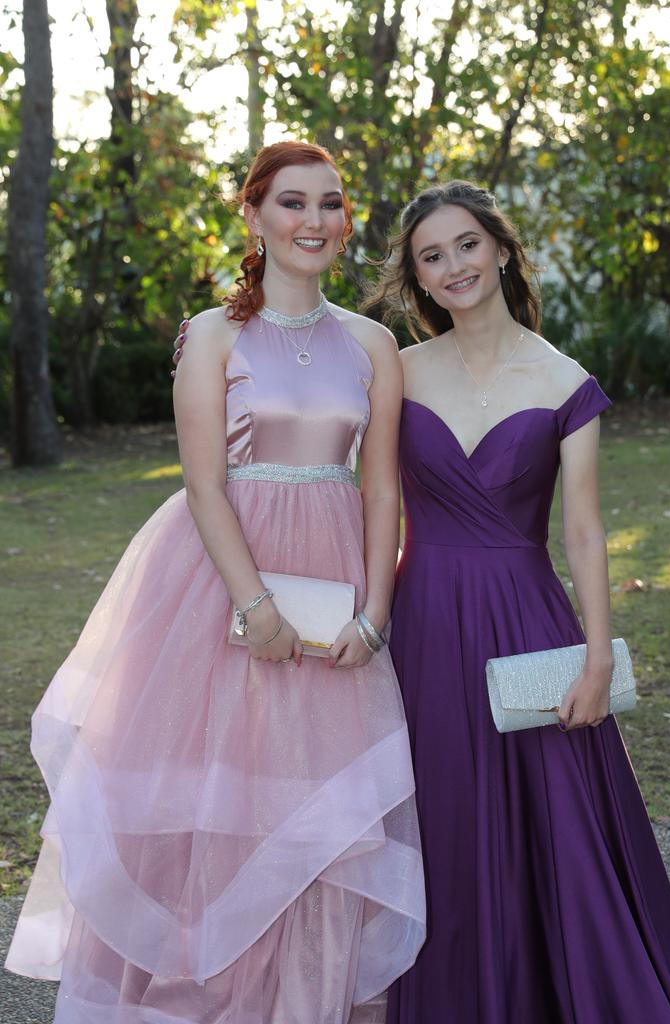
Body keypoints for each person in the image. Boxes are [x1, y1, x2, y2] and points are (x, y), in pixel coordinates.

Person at [5, 141, 425, 1024]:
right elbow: (203, 483)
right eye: (293, 203)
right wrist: (256, 605)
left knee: (324, 813)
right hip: (216, 585)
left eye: (331, 204)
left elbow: (382, 485)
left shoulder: (375, 343)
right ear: (255, 215)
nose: (315, 221)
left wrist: (377, 612)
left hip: (337, 584)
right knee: (210, 810)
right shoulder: (211, 333)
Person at [362, 181, 670, 1023]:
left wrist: (598, 658)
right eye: (431, 257)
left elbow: (584, 531)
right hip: (424, 623)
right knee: (436, 816)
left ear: (503, 249)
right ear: (416, 278)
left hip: (526, 620)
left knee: (550, 826)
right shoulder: (394, 370)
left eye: (467, 246)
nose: (455, 266)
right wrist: (229, 323)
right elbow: (356, 478)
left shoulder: (565, 380)